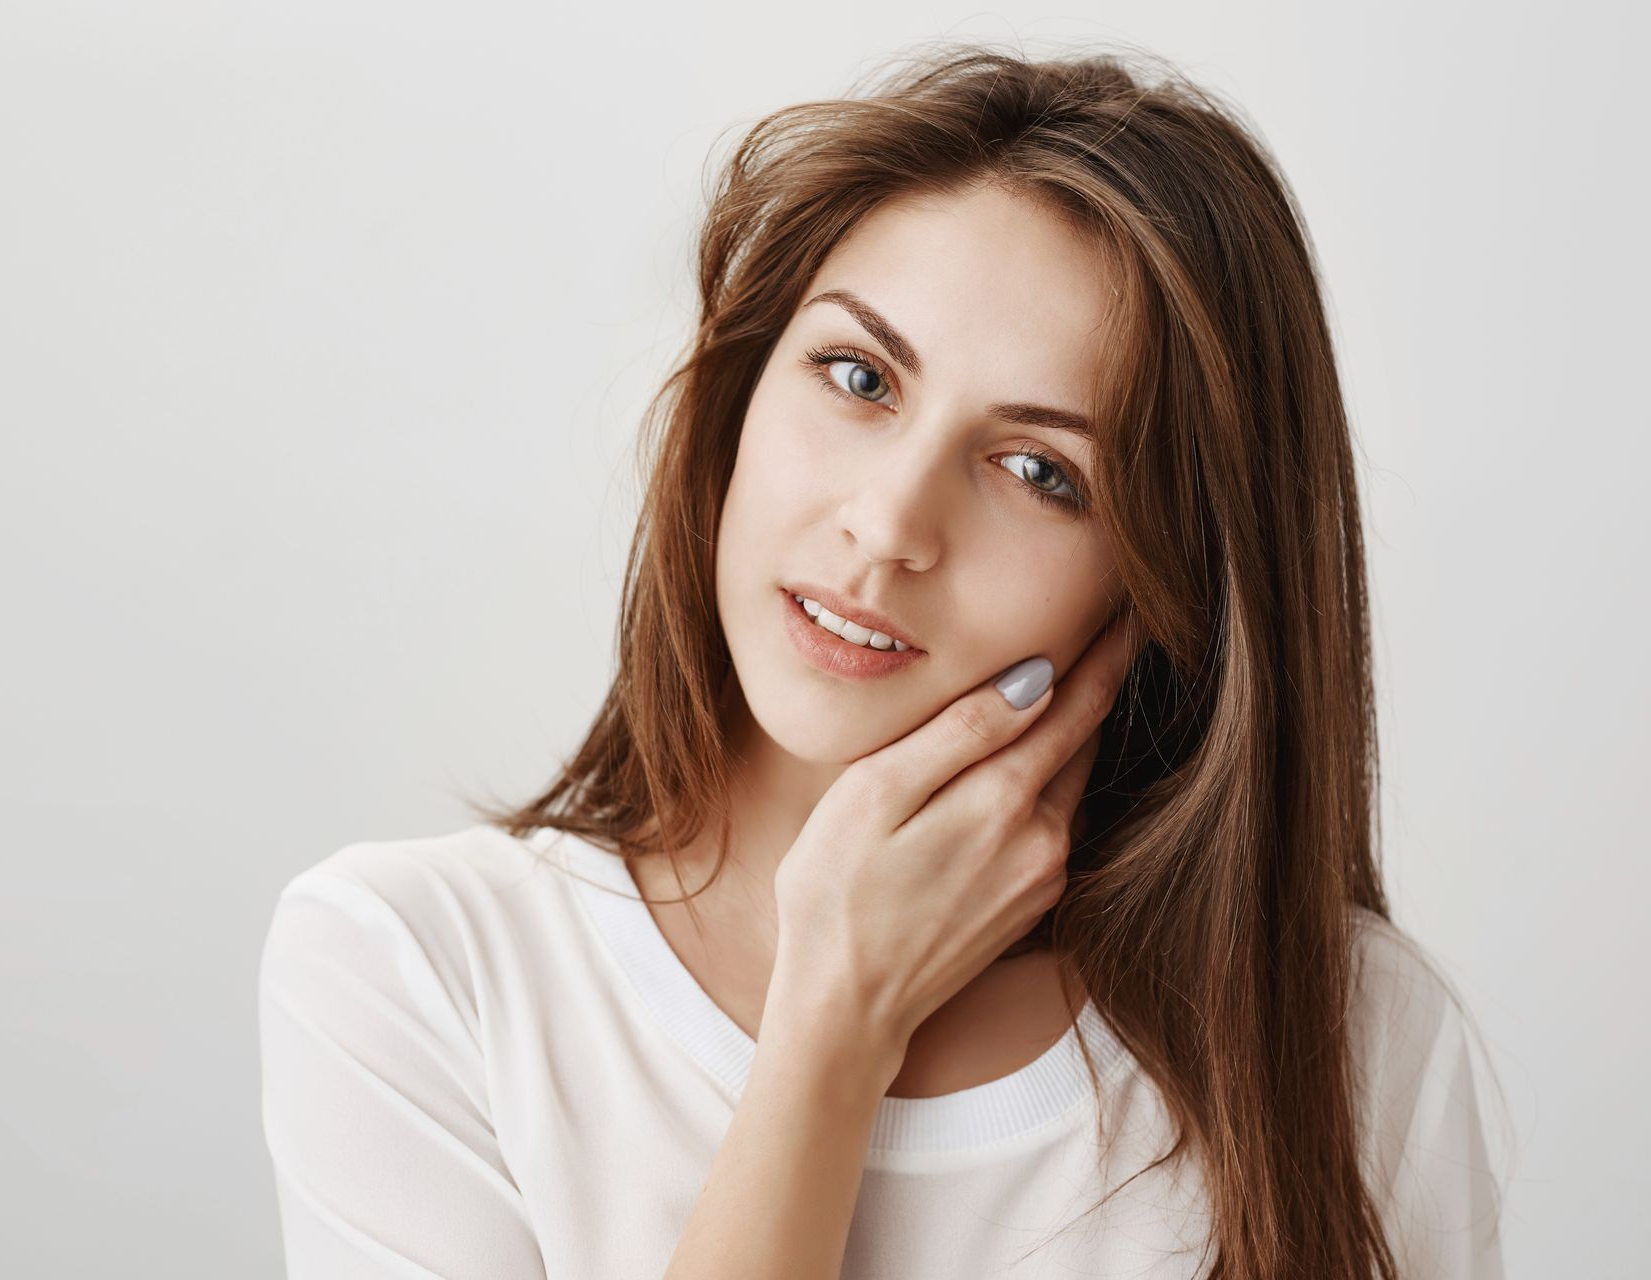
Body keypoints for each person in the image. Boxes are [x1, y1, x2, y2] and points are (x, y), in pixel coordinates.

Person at [258, 40, 1508, 1278]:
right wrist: (833, 1027)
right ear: (737, 397)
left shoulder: (1352, 1043)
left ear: (1167, 585)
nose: (890, 524)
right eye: (856, 376)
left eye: (1038, 472)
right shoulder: (417, 974)